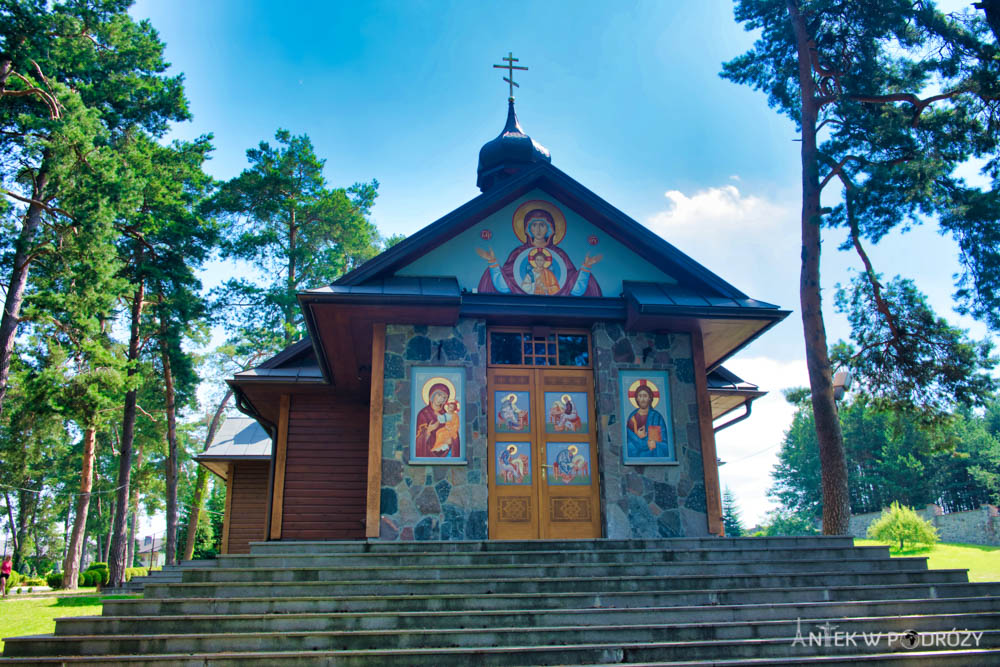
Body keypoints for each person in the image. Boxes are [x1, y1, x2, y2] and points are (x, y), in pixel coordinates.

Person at [476, 208, 603, 296]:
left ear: (550, 228)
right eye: (534, 225)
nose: (537, 229)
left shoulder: (559, 254)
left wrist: (586, 267)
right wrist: (493, 263)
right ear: (528, 228)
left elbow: (573, 289)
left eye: (542, 225)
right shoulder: (518, 252)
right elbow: (506, 286)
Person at [626, 384, 673, 459]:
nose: (642, 399)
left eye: (645, 396)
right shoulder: (632, 417)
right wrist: (639, 437)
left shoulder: (656, 417)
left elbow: (664, 444)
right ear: (636, 399)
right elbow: (628, 443)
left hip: (653, 454)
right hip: (637, 454)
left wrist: (655, 444)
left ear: (650, 398)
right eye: (640, 396)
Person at [414, 383, 460, 458]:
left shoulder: (447, 414)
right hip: (428, 453)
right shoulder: (423, 414)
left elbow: (455, 431)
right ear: (432, 395)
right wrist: (428, 430)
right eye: (439, 395)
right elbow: (418, 440)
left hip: (446, 452)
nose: (441, 399)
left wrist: (452, 440)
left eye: (444, 397)